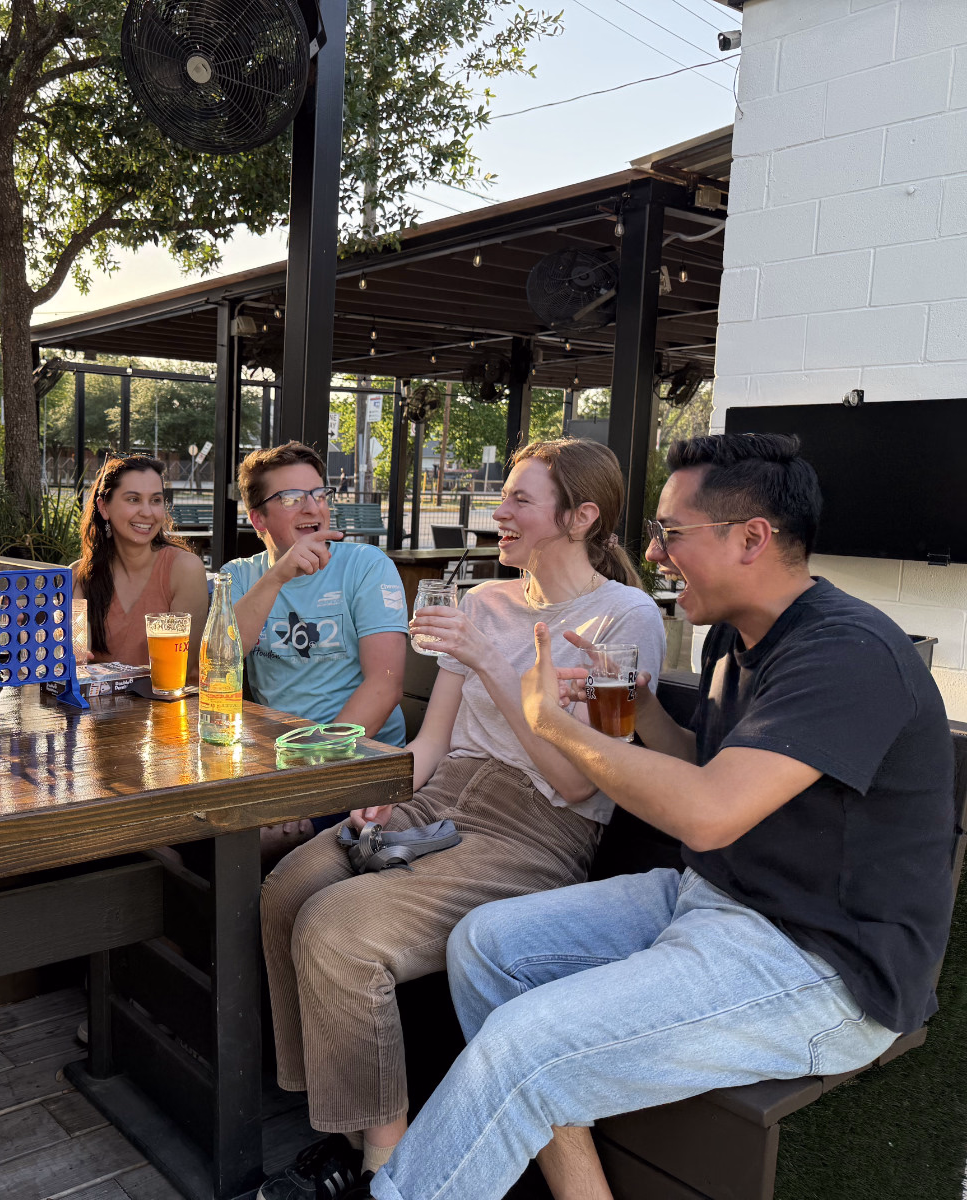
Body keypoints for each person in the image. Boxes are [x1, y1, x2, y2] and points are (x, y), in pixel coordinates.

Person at [372, 433, 957, 1200]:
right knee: (486, 946)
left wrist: (554, 723)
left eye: (671, 533)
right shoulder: (735, 636)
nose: (650, 552)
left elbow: (709, 815)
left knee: (524, 1045)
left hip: (823, 966)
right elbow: (701, 765)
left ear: (751, 539)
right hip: (713, 899)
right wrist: (640, 704)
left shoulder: (847, 654)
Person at [258, 438, 666, 1200]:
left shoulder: (622, 616)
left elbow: (574, 782)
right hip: (441, 799)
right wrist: (385, 790)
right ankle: (340, 1122)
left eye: (519, 500)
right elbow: (433, 741)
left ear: (580, 517)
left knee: (337, 927)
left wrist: (490, 663)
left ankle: (384, 1165)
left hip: (534, 830)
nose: (497, 512)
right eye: (502, 495)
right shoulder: (484, 601)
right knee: (287, 887)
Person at [222, 442, 407, 861]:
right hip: (274, 761)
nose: (312, 507)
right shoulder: (240, 576)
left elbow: (385, 685)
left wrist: (309, 776)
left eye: (319, 494)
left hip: (359, 765)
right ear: (258, 518)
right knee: (196, 830)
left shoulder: (365, 565)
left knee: (245, 844)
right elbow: (218, 664)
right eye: (291, 498)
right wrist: (276, 577)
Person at [71, 453, 208, 671]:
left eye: (156, 500)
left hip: (168, 693)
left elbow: (185, 666)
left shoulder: (184, 569)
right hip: (97, 693)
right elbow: (77, 656)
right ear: (104, 507)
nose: (147, 512)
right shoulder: (80, 575)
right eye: (133, 499)